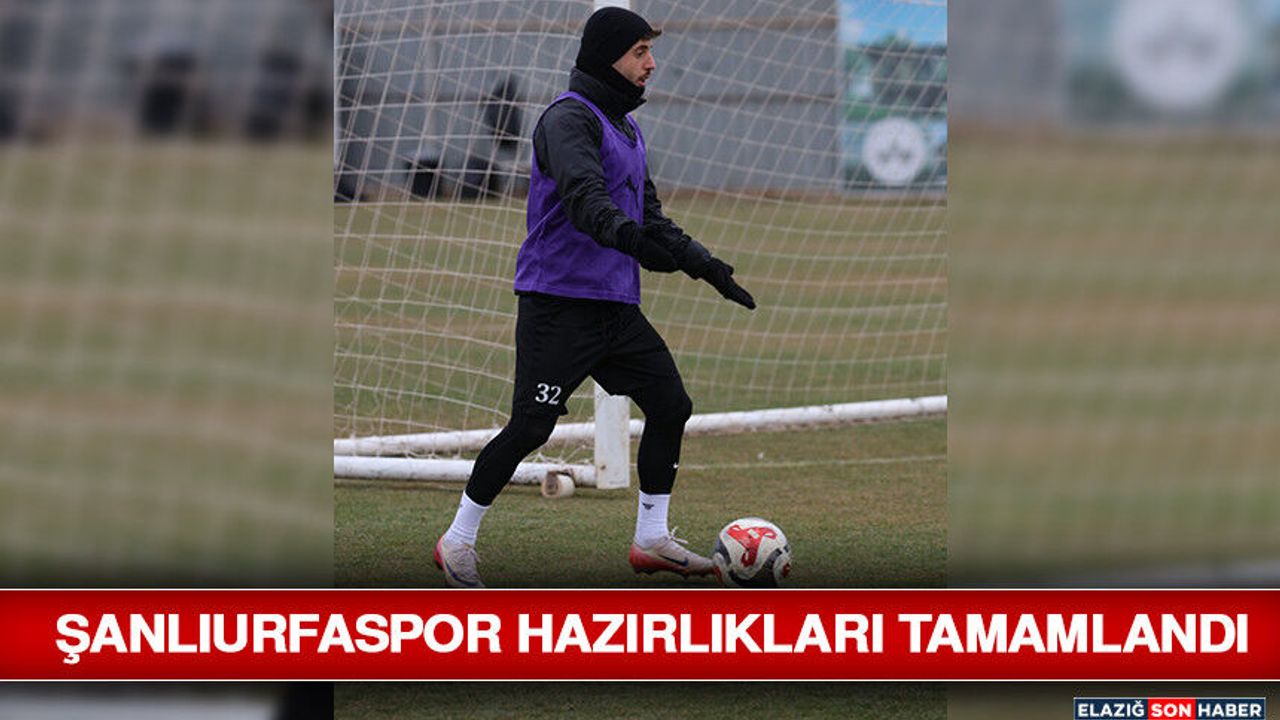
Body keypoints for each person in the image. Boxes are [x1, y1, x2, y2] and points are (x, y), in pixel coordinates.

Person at [434, 7, 755, 588]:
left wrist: (702, 263)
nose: (651, 64)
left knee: (671, 405)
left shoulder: (627, 129)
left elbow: (649, 217)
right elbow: (588, 203)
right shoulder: (567, 120)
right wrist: (638, 243)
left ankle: (651, 538)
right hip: (558, 303)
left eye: (650, 51)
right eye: (640, 52)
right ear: (609, 57)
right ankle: (456, 541)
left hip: (615, 306)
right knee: (531, 428)